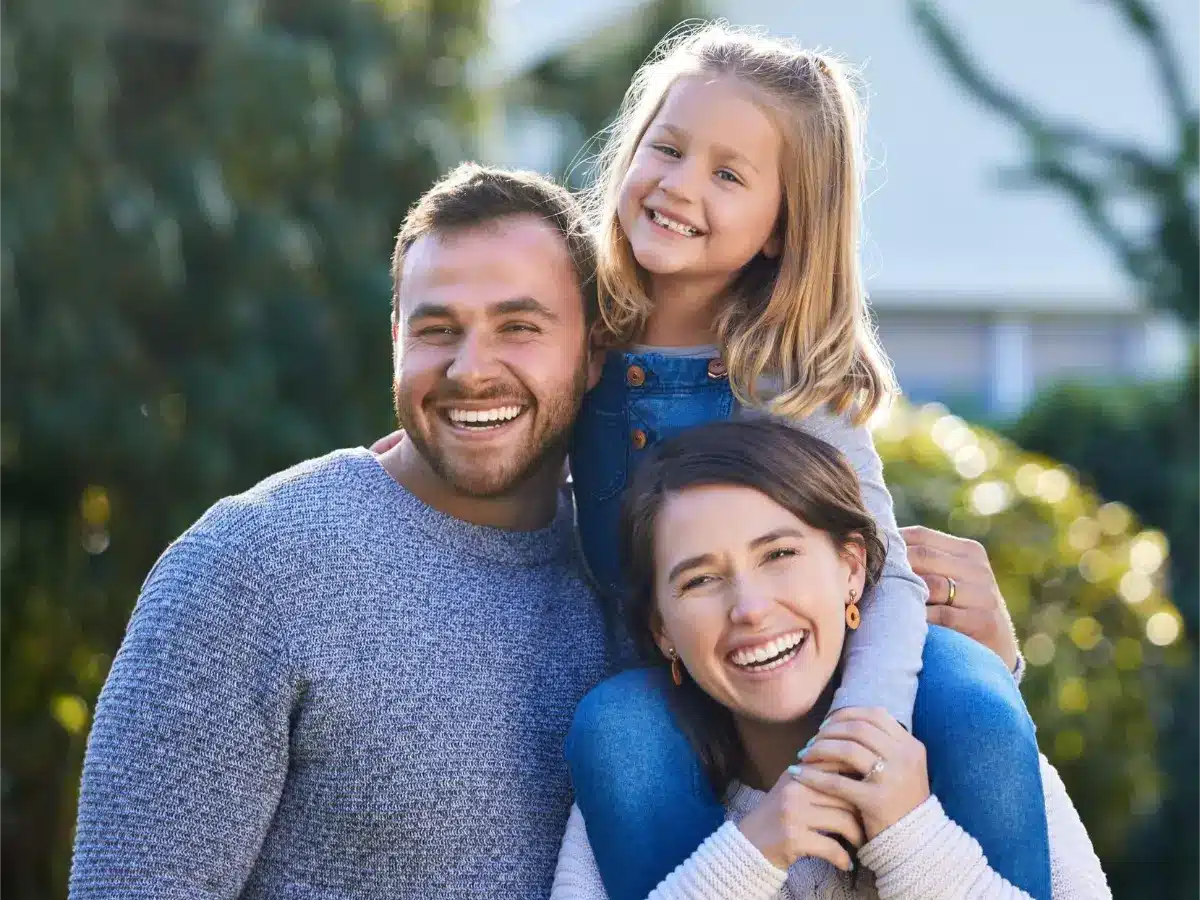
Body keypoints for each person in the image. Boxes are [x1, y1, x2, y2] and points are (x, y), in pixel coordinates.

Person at [564, 23, 1052, 900]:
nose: (677, 186)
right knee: (614, 731)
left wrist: (853, 740)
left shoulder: (788, 382)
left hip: (839, 659)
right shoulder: (577, 334)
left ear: (782, 229)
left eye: (727, 174)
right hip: (688, 667)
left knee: (975, 698)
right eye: (666, 149)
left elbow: (890, 580)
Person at [68, 165, 611, 899]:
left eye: (519, 327)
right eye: (436, 329)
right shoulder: (250, 570)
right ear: (395, 340)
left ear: (595, 352)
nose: (471, 368)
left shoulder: (636, 579)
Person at [552, 419, 1111, 900]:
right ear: (662, 630)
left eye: (779, 555)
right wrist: (752, 855)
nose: (749, 609)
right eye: (700, 580)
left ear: (851, 568)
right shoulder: (628, 777)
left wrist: (912, 837)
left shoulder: (966, 739)